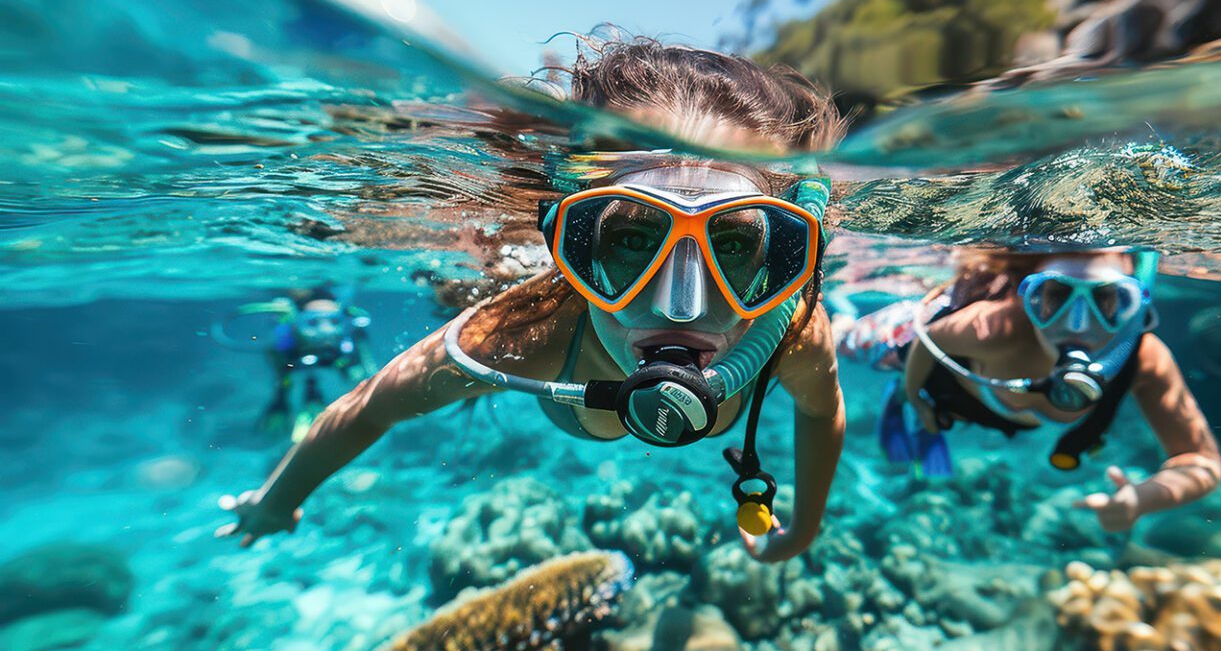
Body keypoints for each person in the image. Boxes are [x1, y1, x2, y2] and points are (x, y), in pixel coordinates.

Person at [217, 40, 848, 562]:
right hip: (547, 332)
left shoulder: (788, 326)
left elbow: (823, 414)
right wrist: (276, 500)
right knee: (475, 281)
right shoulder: (525, 338)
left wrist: (803, 530)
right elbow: (368, 408)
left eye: (735, 244)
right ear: (574, 246)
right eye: (632, 237)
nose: (680, 307)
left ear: (785, 254)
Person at [839, 249, 1221, 532]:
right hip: (930, 359)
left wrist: (1141, 499)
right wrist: (915, 394)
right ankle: (840, 315)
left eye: (1106, 300)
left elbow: (1201, 462)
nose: (1077, 323)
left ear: (1134, 307)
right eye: (1054, 297)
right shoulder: (995, 326)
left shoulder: (1144, 359)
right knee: (848, 343)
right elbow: (927, 343)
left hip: (978, 395)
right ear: (1028, 300)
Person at [212, 287, 376, 442]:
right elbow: (282, 374)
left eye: (333, 321)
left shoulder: (348, 342)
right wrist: (280, 400)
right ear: (298, 323)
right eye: (313, 323)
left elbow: (365, 372)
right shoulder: (286, 341)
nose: (326, 331)